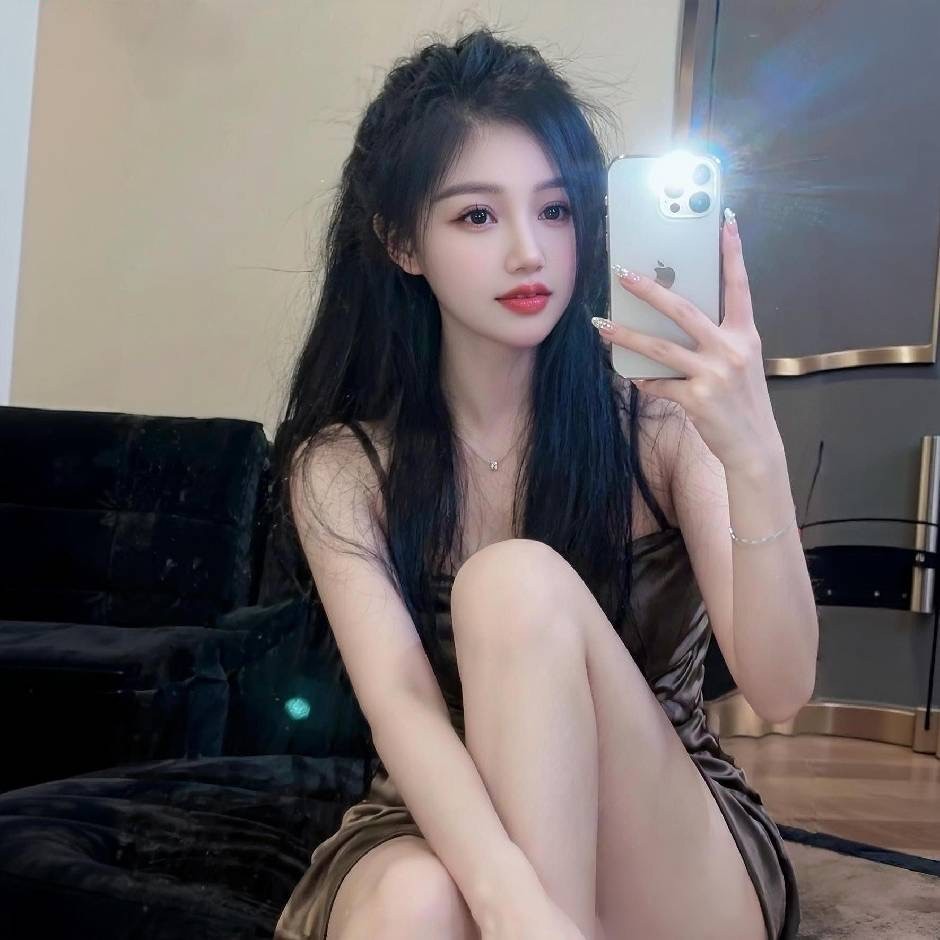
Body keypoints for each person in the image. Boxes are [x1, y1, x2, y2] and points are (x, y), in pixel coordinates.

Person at [270, 25, 806, 940]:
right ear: (402, 241)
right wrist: (512, 903)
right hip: (447, 819)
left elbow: (782, 689)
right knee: (413, 903)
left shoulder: (662, 426)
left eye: (555, 210)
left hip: (663, 832)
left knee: (513, 583)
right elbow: (403, 709)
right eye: (477, 217)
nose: (529, 252)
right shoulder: (344, 467)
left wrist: (754, 455)